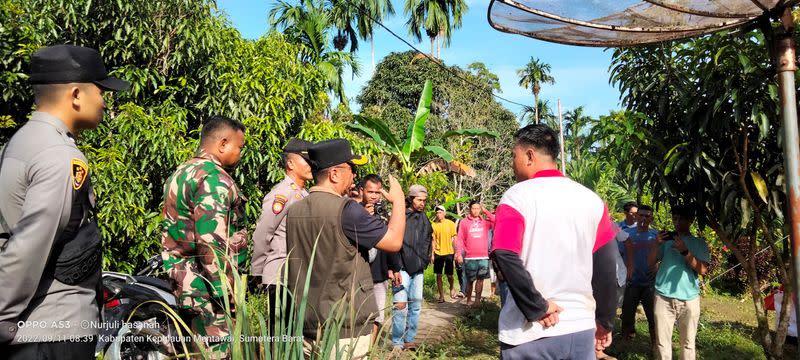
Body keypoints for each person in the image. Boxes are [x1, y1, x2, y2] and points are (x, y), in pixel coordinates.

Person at [0, 44, 129, 359]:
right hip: (51, 330)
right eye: (100, 90)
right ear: (75, 95)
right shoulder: (60, 156)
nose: (104, 99)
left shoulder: (18, 143)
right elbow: (29, 244)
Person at [489, 124, 617, 359]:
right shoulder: (592, 201)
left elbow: (504, 253)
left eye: (513, 156)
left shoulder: (516, 197)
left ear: (529, 156)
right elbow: (607, 267)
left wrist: (536, 307)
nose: (511, 163)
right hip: (580, 330)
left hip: (529, 335)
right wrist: (605, 321)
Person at [285, 139, 406, 359]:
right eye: (352, 169)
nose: (354, 177)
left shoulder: (294, 211)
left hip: (305, 324)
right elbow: (394, 241)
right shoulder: (346, 210)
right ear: (334, 174)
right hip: (343, 328)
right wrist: (399, 202)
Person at [161, 115, 249, 357]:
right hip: (208, 292)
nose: (240, 154)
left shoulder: (181, 171)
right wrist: (226, 293)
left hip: (183, 286)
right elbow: (211, 242)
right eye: (239, 147)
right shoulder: (214, 177)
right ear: (222, 144)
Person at [250, 138, 313, 332]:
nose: (312, 165)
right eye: (307, 161)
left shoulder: (305, 194)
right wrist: (258, 271)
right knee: (279, 335)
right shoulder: (281, 195)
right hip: (280, 276)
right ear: (291, 163)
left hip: (298, 275)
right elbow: (263, 234)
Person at [649, 205, 709, 360]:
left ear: (691, 221)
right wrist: (656, 244)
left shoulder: (699, 243)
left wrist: (685, 251)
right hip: (662, 296)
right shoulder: (666, 241)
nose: (677, 222)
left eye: (681, 218)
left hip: (689, 298)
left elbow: (703, 270)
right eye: (674, 218)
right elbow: (650, 262)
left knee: (688, 343)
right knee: (662, 342)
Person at [388, 185, 433, 351]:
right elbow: (391, 242)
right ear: (411, 199)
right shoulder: (401, 216)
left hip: (418, 270)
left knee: (415, 305)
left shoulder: (424, 219)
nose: (422, 203)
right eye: (419, 200)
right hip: (401, 269)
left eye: (424, 201)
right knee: (400, 305)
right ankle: (397, 342)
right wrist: (394, 267)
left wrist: (425, 260)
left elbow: (428, 239)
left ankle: (409, 340)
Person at [356, 174, 393, 343]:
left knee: (378, 313)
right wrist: (363, 216)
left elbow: (391, 241)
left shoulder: (383, 212)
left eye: (377, 192)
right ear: (362, 190)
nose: (374, 196)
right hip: (359, 274)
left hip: (380, 271)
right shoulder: (352, 210)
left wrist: (394, 267)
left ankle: (370, 349)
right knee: (358, 314)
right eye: (370, 191)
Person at [620, 205, 658, 350]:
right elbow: (618, 255)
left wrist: (658, 267)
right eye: (640, 215)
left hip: (650, 283)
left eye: (647, 216)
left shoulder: (656, 236)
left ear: (651, 218)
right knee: (627, 313)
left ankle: (655, 345)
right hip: (631, 282)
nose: (643, 218)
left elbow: (664, 256)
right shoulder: (626, 235)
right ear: (636, 216)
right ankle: (624, 342)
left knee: (653, 315)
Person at [455, 200, 495, 306]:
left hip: (483, 256)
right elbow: (460, 239)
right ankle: (469, 300)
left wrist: (486, 211)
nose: (476, 211)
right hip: (469, 257)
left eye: (478, 208)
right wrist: (458, 253)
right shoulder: (464, 222)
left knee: (481, 279)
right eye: (473, 208)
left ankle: (477, 301)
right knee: (470, 280)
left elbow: (496, 220)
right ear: (470, 209)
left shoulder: (485, 222)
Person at [431, 205, 458, 302]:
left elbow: (455, 238)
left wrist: (456, 252)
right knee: (438, 275)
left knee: (449, 275)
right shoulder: (434, 225)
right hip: (438, 252)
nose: (438, 214)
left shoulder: (450, 224)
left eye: (440, 212)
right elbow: (433, 240)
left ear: (444, 213)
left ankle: (451, 287)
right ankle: (441, 296)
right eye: (437, 213)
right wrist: (432, 254)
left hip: (449, 252)